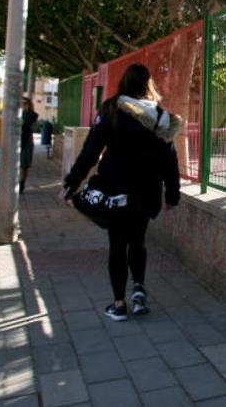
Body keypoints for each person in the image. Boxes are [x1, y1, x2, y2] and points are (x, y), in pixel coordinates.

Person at [64, 64, 181, 321]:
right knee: (138, 241)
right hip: (147, 191)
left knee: (117, 245)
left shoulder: (111, 110)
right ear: (148, 86)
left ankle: (118, 304)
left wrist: (72, 182)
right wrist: (172, 195)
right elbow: (169, 161)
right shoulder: (160, 117)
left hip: (116, 188)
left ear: (124, 83)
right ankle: (138, 289)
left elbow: (90, 151)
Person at [19, 98, 38, 193]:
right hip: (16, 141)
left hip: (26, 141)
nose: (23, 105)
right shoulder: (16, 114)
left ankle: (22, 183)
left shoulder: (32, 115)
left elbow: (26, 124)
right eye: (21, 103)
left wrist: (25, 111)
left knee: (24, 165)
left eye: (25, 103)